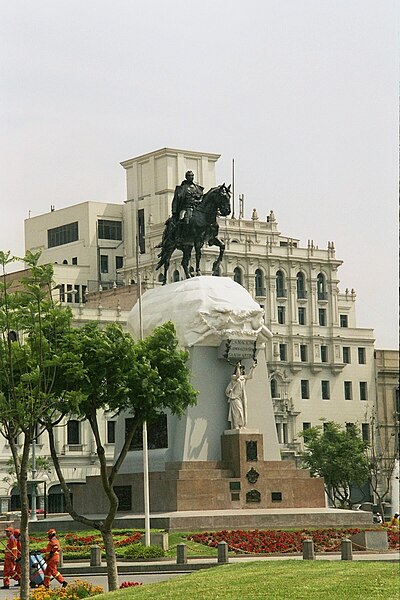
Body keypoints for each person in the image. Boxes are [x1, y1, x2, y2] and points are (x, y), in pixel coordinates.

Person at [225, 360, 257, 429]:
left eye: (242, 369)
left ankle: (241, 425)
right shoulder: (233, 377)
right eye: (240, 369)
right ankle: (236, 425)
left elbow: (250, 376)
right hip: (235, 397)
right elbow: (237, 376)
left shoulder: (243, 378)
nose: (241, 370)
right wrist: (238, 367)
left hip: (241, 397)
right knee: (237, 412)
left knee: (242, 412)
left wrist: (253, 368)